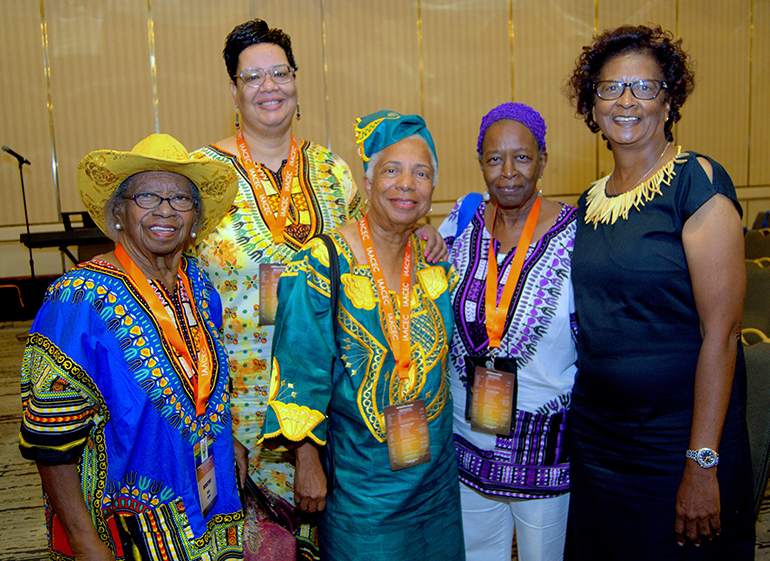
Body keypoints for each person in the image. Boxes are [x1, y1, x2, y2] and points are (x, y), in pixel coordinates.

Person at [194, 23, 446, 542]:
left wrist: (423, 235)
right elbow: (185, 303)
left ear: (296, 80)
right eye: (252, 76)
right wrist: (215, 425)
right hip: (238, 408)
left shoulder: (332, 170)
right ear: (234, 90)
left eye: (280, 72)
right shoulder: (202, 177)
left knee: (329, 542)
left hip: (333, 410)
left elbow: (371, 253)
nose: (269, 86)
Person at [565, 25, 754, 559]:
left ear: (669, 100)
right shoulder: (587, 202)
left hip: (676, 442)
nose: (627, 101)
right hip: (598, 442)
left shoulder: (697, 181)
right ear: (592, 104)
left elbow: (722, 334)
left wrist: (701, 462)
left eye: (644, 88)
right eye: (610, 88)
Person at [19, 134, 243, 559]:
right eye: (147, 196)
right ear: (119, 212)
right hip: (124, 532)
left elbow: (203, 383)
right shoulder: (77, 300)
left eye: (181, 199)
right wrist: (86, 544)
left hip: (207, 512)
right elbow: (50, 442)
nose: (165, 209)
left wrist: (227, 444)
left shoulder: (198, 284)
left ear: (195, 219)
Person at [259, 110, 464, 560]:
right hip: (362, 485)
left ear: (432, 188)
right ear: (368, 182)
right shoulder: (319, 263)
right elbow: (300, 367)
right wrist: (307, 462)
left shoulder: (434, 262)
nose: (406, 184)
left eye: (421, 173)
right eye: (391, 170)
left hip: (436, 480)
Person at [438, 102, 577, 561]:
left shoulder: (577, 235)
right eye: (495, 158)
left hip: (544, 449)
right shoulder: (461, 221)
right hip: (468, 442)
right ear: (480, 163)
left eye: (522, 157)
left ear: (543, 159)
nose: (509, 172)